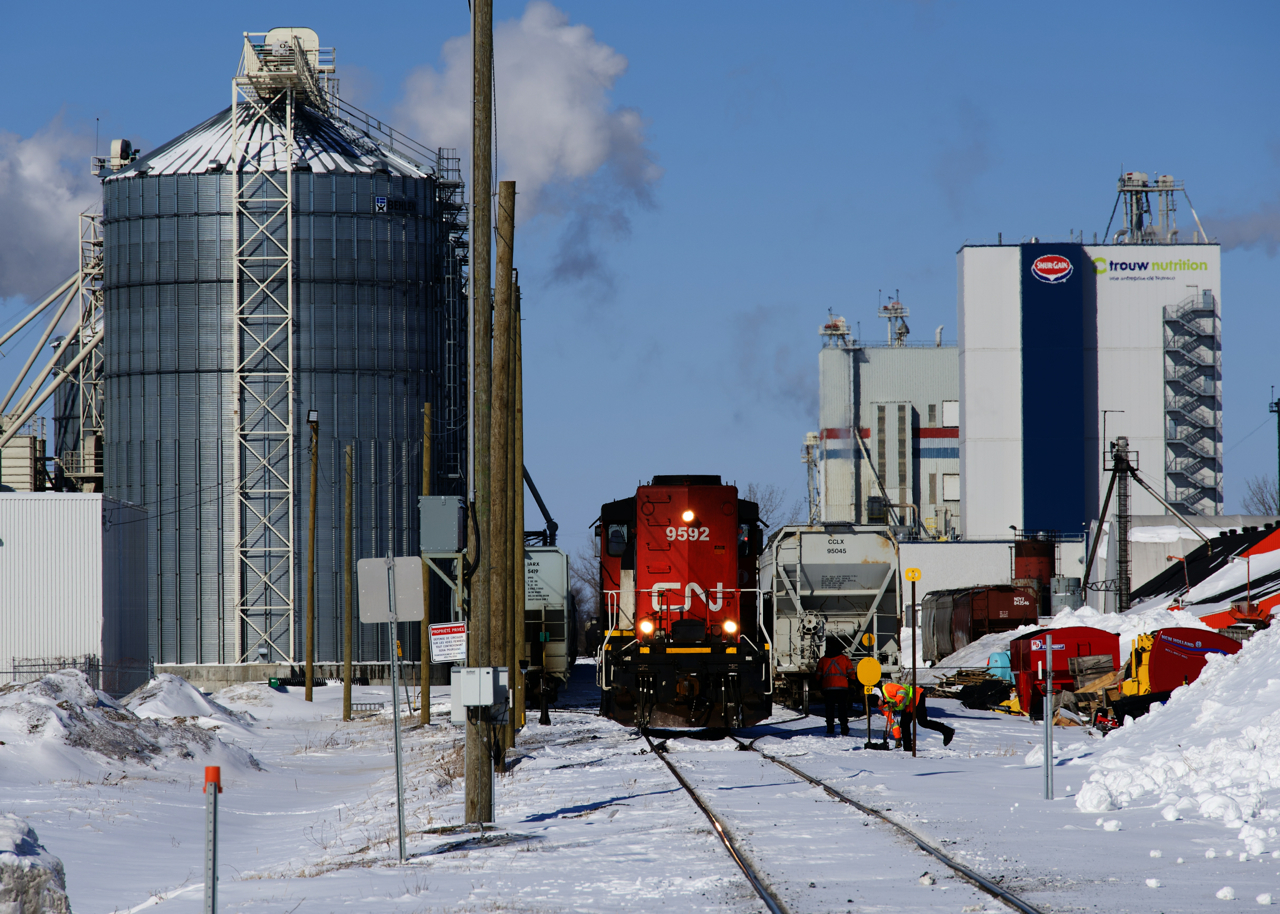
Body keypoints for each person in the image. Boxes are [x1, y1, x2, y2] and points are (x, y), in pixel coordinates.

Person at [882, 682, 955, 750]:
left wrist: (896, 702)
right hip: (908, 705)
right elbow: (893, 722)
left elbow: (902, 691)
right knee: (904, 724)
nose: (879, 705)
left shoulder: (887, 688)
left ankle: (947, 731)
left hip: (916, 696)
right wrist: (898, 738)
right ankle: (907, 748)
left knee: (923, 722)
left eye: (877, 703)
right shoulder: (882, 706)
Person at [815, 643, 856, 736]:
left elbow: (818, 675)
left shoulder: (823, 660)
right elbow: (851, 672)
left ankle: (830, 727)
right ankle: (844, 726)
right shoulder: (844, 659)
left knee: (829, 708)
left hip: (828, 688)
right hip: (842, 688)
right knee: (842, 708)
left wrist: (819, 684)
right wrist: (852, 683)